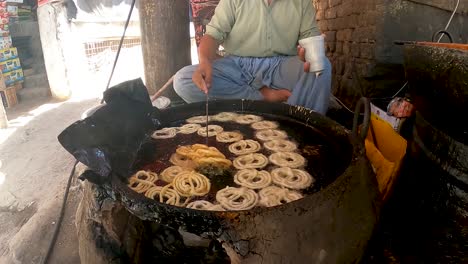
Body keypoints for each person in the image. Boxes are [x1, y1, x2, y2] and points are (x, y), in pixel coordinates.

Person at [174, 0, 331, 114]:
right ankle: (263, 98)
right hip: (237, 66)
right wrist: (204, 61)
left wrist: (308, 56)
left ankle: (297, 127)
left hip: (280, 67)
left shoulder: (302, 3)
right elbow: (213, 35)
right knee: (183, 80)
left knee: (321, 67)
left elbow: (310, 39)